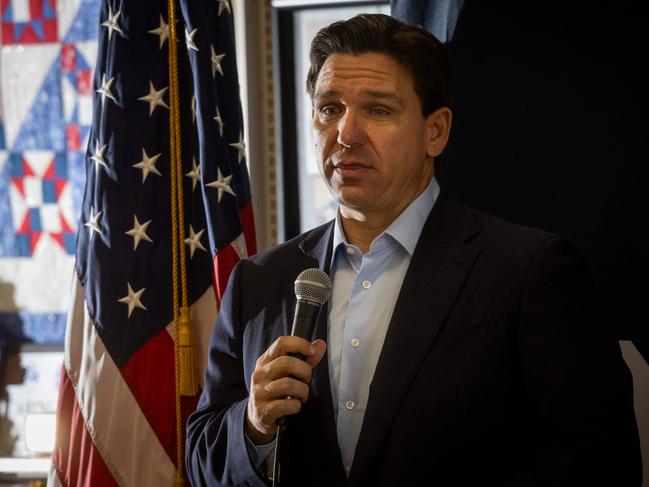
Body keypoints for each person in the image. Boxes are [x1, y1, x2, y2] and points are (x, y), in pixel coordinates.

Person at [186, 13, 641, 486]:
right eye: (330, 108)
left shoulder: (530, 272)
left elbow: (600, 463)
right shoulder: (259, 281)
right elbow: (201, 461)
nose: (346, 133)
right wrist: (254, 425)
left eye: (379, 110)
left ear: (435, 132)